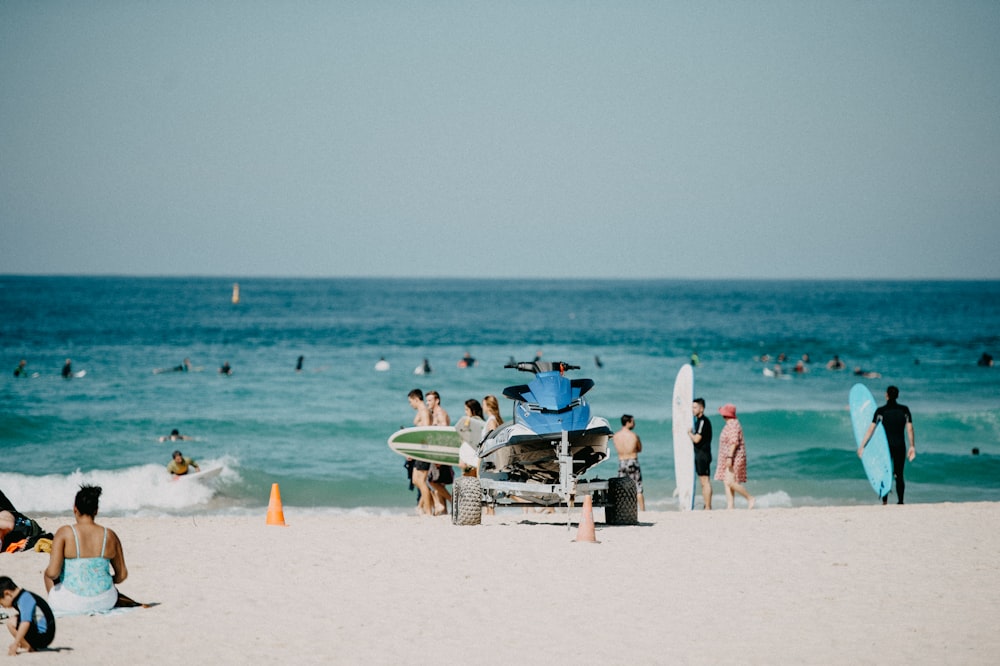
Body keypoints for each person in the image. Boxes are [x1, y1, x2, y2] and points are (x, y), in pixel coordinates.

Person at [44, 485, 143, 614]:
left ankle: (57, 603)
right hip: (106, 601)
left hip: (70, 602)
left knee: (47, 573)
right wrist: (102, 579)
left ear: (75, 509)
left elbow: (53, 573)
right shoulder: (110, 535)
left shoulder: (65, 533)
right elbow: (122, 576)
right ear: (96, 510)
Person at [857, 386, 916, 505]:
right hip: (900, 446)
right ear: (897, 396)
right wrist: (912, 446)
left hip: (886, 448)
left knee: (884, 473)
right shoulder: (905, 410)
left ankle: (885, 501)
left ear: (886, 395)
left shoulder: (881, 411)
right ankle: (900, 501)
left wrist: (863, 446)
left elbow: (871, 430)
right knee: (899, 474)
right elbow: (909, 429)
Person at [714, 404, 755, 510]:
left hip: (734, 456)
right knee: (726, 481)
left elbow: (734, 443)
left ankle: (749, 498)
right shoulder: (731, 423)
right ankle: (730, 505)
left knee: (730, 482)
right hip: (730, 456)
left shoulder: (732, 425)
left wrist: (729, 457)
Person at [1, 576, 55, 655]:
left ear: (7, 593)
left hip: (43, 635)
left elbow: (25, 623)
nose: (3, 606)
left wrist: (15, 643)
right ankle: (27, 645)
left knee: (11, 622)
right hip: (45, 632)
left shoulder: (24, 598)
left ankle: (28, 646)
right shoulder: (24, 595)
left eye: (1, 603)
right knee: (17, 618)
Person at [407, 389, 433, 515]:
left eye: (410, 401)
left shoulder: (423, 411)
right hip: (420, 449)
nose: (410, 404)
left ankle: (428, 511)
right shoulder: (421, 411)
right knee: (415, 480)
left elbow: (426, 431)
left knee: (421, 481)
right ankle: (427, 505)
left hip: (424, 449)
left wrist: (417, 450)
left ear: (416, 399)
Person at [612, 414, 645, 511]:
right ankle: (642, 510)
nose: (634, 424)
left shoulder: (616, 436)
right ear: (628, 422)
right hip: (633, 461)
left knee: (622, 487)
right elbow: (639, 449)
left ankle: (622, 509)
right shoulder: (634, 436)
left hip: (622, 461)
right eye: (633, 421)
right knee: (638, 488)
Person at [688, 398, 713, 510]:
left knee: (705, 481)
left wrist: (689, 434)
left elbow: (697, 439)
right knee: (703, 481)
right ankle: (706, 505)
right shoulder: (698, 421)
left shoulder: (703, 421)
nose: (692, 410)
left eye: (695, 407)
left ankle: (708, 506)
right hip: (700, 454)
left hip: (703, 454)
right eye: (692, 407)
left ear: (701, 408)